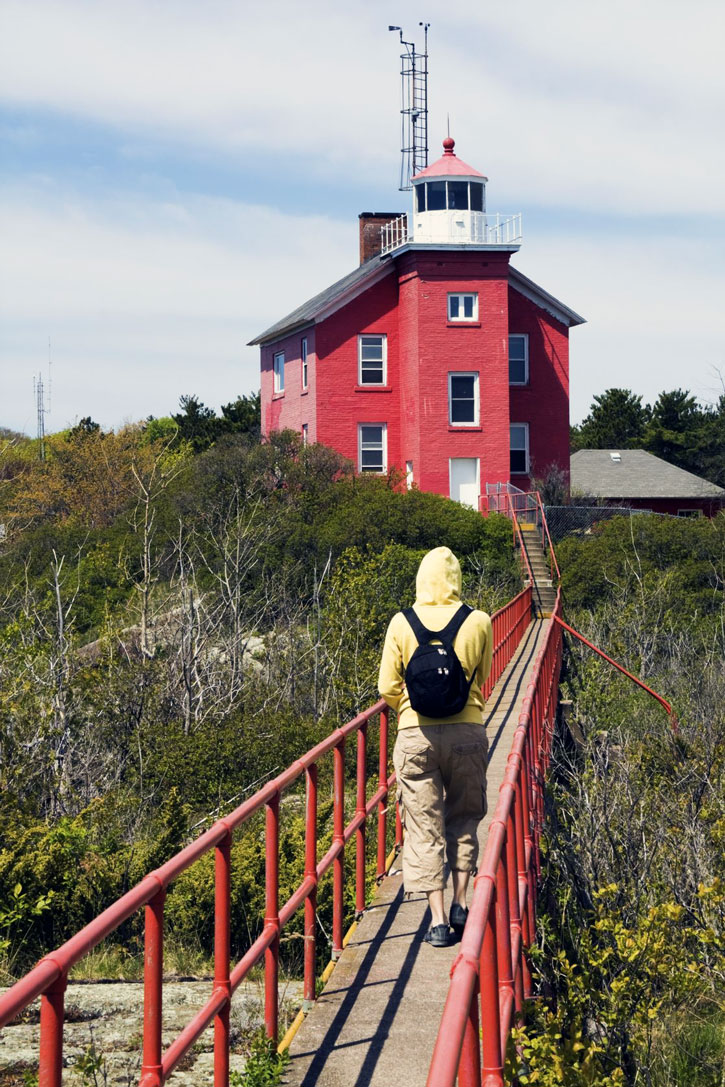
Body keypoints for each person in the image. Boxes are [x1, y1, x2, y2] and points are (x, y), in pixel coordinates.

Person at [378, 546, 493, 947]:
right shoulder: (479, 620)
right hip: (467, 731)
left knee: (423, 829)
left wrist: (411, 709)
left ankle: (439, 921)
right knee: (463, 819)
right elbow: (483, 677)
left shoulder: (401, 622)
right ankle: (462, 901)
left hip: (415, 737)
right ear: (456, 579)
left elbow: (387, 688)